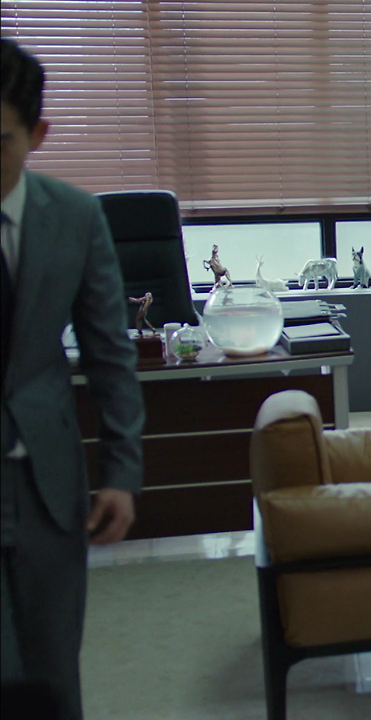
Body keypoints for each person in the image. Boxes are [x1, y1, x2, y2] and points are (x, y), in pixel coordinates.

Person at [1, 37, 145, 720]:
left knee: (52, 674)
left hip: (47, 489)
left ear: (37, 136)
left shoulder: (75, 218)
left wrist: (121, 473)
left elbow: (109, 354)